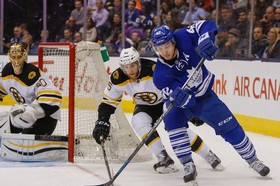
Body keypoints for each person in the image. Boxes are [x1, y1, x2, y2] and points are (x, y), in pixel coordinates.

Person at [151, 21, 270, 186]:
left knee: (231, 129)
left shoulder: (182, 36)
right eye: (160, 48)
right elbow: (180, 98)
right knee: (172, 122)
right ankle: (187, 164)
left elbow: (206, 25)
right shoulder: (160, 74)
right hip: (180, 105)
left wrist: (205, 40)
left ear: (173, 41)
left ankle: (253, 160)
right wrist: (180, 98)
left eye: (167, 46)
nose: (165, 51)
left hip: (206, 97)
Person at [92, 47, 224, 174]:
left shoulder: (154, 70)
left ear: (138, 62)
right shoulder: (118, 77)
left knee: (177, 130)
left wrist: (189, 108)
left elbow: (175, 87)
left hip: (166, 102)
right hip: (145, 106)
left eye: (132, 65)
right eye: (126, 67)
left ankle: (208, 155)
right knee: (138, 122)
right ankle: (164, 158)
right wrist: (102, 120)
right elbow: (108, 101)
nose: (130, 70)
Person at [0, 43, 62, 153]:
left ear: (24, 56)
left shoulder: (32, 73)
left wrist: (32, 111)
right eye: (13, 57)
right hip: (21, 117)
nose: (16, 60)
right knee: (2, 124)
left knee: (23, 146)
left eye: (19, 57)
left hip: (45, 119)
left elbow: (53, 97)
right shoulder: (6, 72)